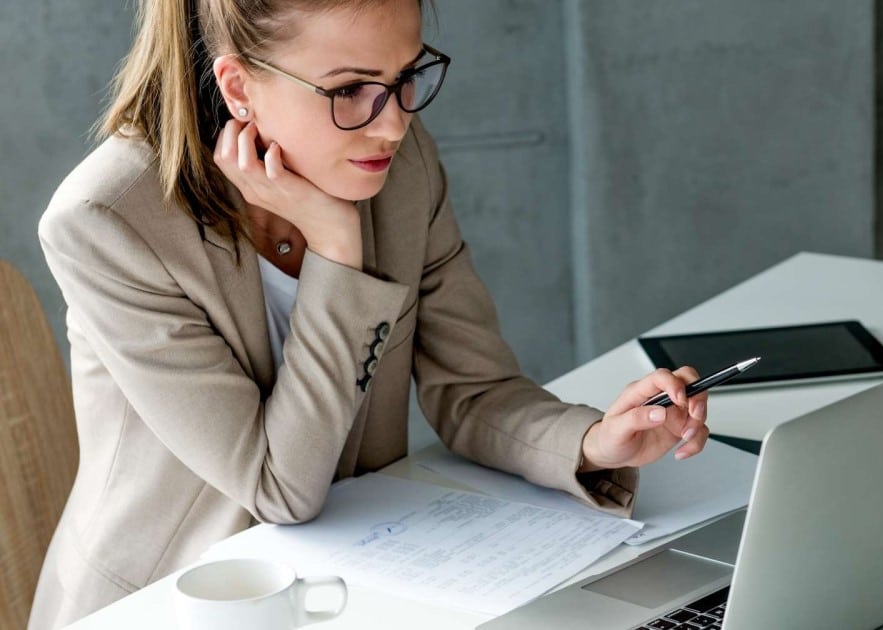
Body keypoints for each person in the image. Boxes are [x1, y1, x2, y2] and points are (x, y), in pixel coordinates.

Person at [29, 0, 711, 626]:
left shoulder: (400, 167)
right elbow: (277, 487)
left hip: (358, 583)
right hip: (176, 602)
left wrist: (593, 443)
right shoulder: (107, 221)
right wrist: (336, 245)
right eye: (350, 89)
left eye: (405, 76)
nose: (394, 123)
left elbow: (473, 388)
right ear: (238, 86)